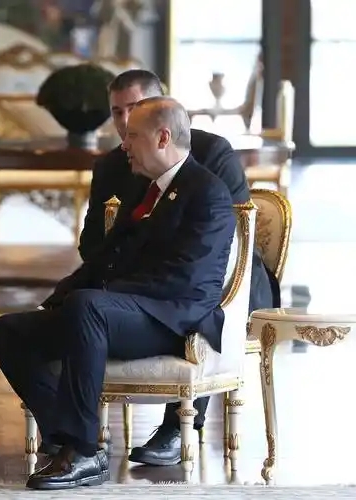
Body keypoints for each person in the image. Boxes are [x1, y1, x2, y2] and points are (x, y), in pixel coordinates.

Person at [0, 97, 237, 490]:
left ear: (163, 138)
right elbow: (104, 257)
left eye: (133, 135)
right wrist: (58, 299)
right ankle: (65, 438)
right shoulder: (143, 188)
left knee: (88, 307)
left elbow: (184, 278)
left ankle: (82, 451)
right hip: (117, 312)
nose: (124, 144)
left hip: (173, 319)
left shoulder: (207, 192)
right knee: (8, 331)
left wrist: (101, 295)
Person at [77, 69, 281, 466]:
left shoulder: (212, 152)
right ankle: (74, 433)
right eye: (116, 112)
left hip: (227, 280)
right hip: (148, 281)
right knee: (90, 309)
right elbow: (92, 243)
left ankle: (178, 426)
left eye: (134, 108)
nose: (124, 121)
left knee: (193, 300)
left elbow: (227, 243)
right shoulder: (112, 166)